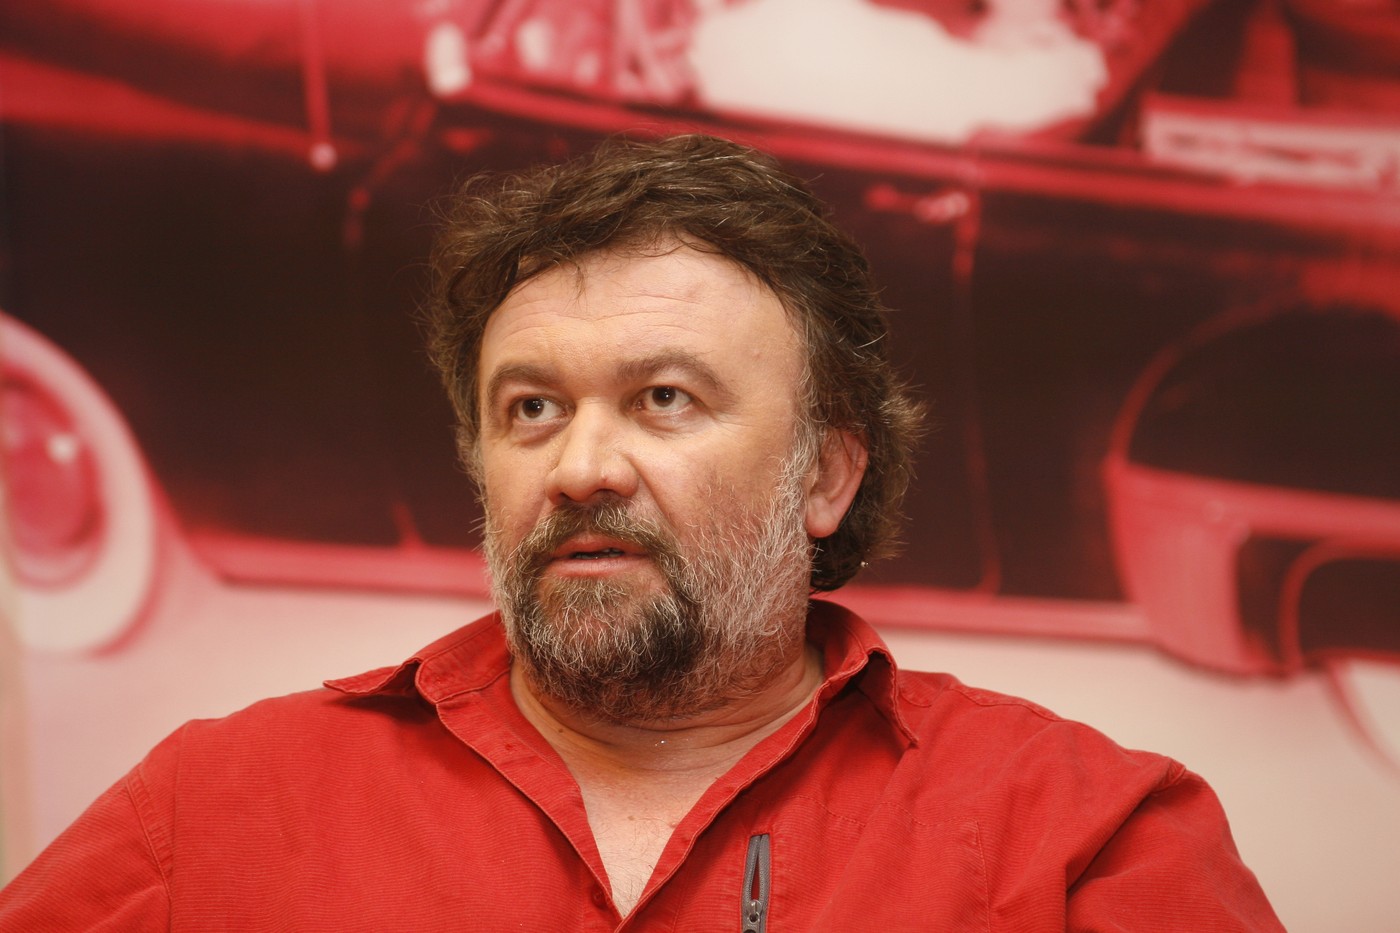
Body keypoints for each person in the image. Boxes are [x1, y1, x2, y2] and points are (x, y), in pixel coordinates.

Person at [0, 134, 1282, 930]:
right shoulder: (217, 808)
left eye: (664, 399)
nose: (579, 468)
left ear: (826, 474)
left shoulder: (1077, 838)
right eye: (531, 409)